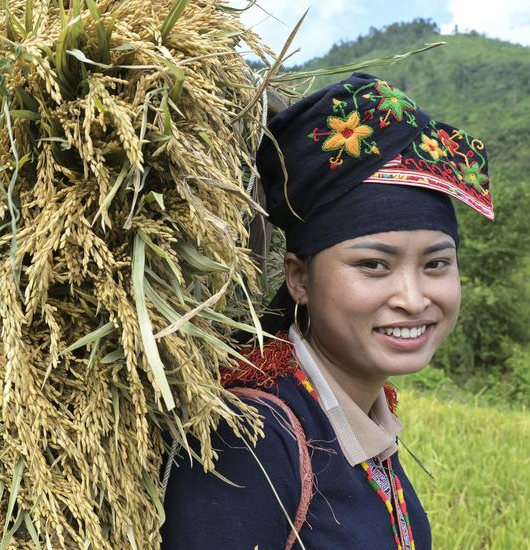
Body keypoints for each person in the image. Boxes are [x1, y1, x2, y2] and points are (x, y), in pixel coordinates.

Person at [160, 73, 493, 549]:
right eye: (374, 265)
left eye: (437, 263)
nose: (415, 298)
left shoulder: (363, 415)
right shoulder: (247, 442)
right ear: (299, 278)